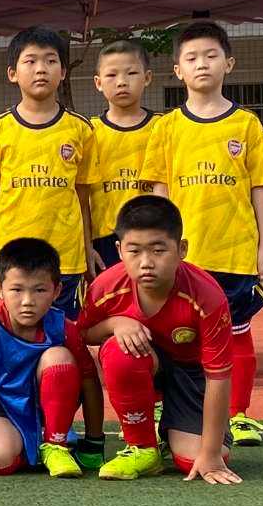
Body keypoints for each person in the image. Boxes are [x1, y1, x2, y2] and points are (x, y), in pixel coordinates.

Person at [162, 21, 263, 447]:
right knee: (180, 339)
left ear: (228, 63)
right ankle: (176, 412)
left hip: (235, 251)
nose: (201, 64)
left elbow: (260, 189)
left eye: (211, 56)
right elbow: (159, 190)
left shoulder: (247, 125)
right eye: (191, 58)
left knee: (238, 333)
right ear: (177, 70)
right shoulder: (167, 127)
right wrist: (163, 250)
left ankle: (240, 414)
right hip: (184, 257)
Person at [81, 195, 240, 485]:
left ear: (181, 249)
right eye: (134, 251)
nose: (146, 263)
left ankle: (170, 429)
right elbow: (83, 334)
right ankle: (142, 447)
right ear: (119, 250)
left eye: (158, 250)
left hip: (191, 375)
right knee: (117, 350)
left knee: (194, 461)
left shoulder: (208, 296)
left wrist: (212, 452)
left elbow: (218, 377)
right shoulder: (105, 286)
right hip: (145, 366)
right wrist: (116, 323)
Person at [0, 236, 86, 479]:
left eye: (39, 290)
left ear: (57, 291)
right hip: (3, 411)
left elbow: (89, 382)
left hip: (51, 410)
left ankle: (55, 443)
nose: (27, 301)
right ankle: (32, 446)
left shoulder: (63, 327)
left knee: (58, 358)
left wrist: (95, 441)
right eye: (16, 289)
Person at [0, 25, 92, 280]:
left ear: (62, 72)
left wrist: (87, 245)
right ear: (12, 73)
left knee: (65, 322)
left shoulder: (81, 130)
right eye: (31, 61)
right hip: (12, 258)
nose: (41, 69)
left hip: (67, 258)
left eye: (50, 61)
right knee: (12, 321)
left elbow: (82, 196)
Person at [79, 40, 171, 276]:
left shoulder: (164, 127)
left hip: (155, 235)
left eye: (131, 73)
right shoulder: (88, 131)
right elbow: (81, 195)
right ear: (98, 83)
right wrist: (86, 244)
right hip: (105, 240)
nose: (121, 82)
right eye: (111, 75)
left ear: (147, 77)